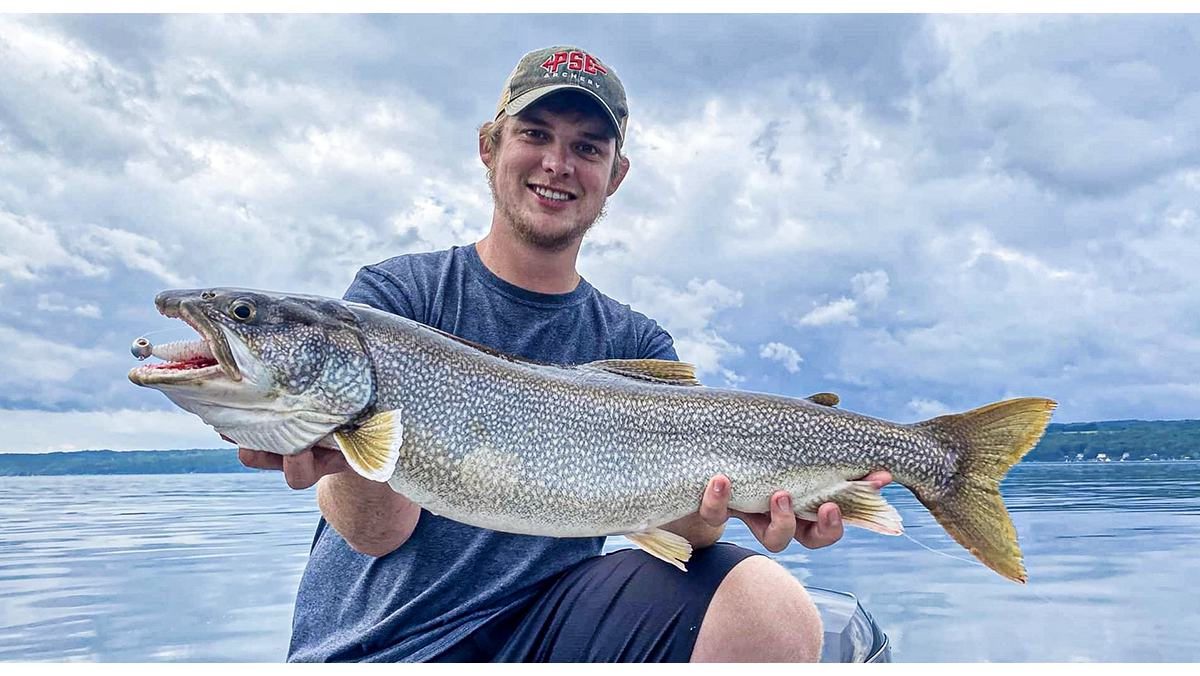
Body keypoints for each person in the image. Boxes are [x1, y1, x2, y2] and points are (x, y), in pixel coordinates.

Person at [238, 45, 892, 663]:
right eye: (535, 134)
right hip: (381, 647)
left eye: (587, 146)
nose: (558, 162)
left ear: (616, 175)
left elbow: (685, 532)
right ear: (489, 147)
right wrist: (347, 443)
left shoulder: (637, 344)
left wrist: (765, 504)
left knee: (773, 609)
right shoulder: (394, 300)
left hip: (553, 634)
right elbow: (374, 535)